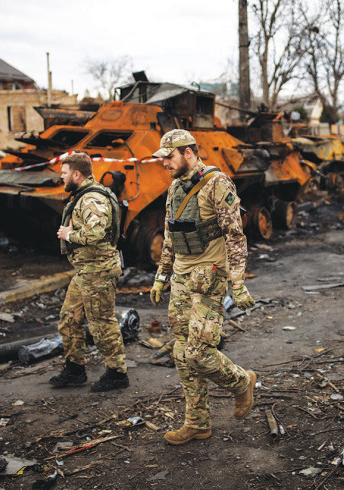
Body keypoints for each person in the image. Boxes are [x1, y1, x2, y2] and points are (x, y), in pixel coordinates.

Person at [149, 129, 256, 445]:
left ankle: (241, 382)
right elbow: (170, 236)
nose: (165, 163)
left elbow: (235, 236)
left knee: (198, 353)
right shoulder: (174, 189)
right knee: (182, 353)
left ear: (188, 152)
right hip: (181, 280)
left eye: (169, 157)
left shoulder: (216, 183)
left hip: (208, 278)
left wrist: (237, 282)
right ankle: (196, 423)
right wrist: (161, 275)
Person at [50, 152, 130, 392]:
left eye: (64, 173)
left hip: (99, 270)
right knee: (69, 318)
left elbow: (96, 234)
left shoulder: (92, 199)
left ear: (77, 174)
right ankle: (75, 369)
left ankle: (117, 373)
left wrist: (68, 235)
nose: (61, 177)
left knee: (101, 322)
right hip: (86, 270)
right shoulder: (83, 195)